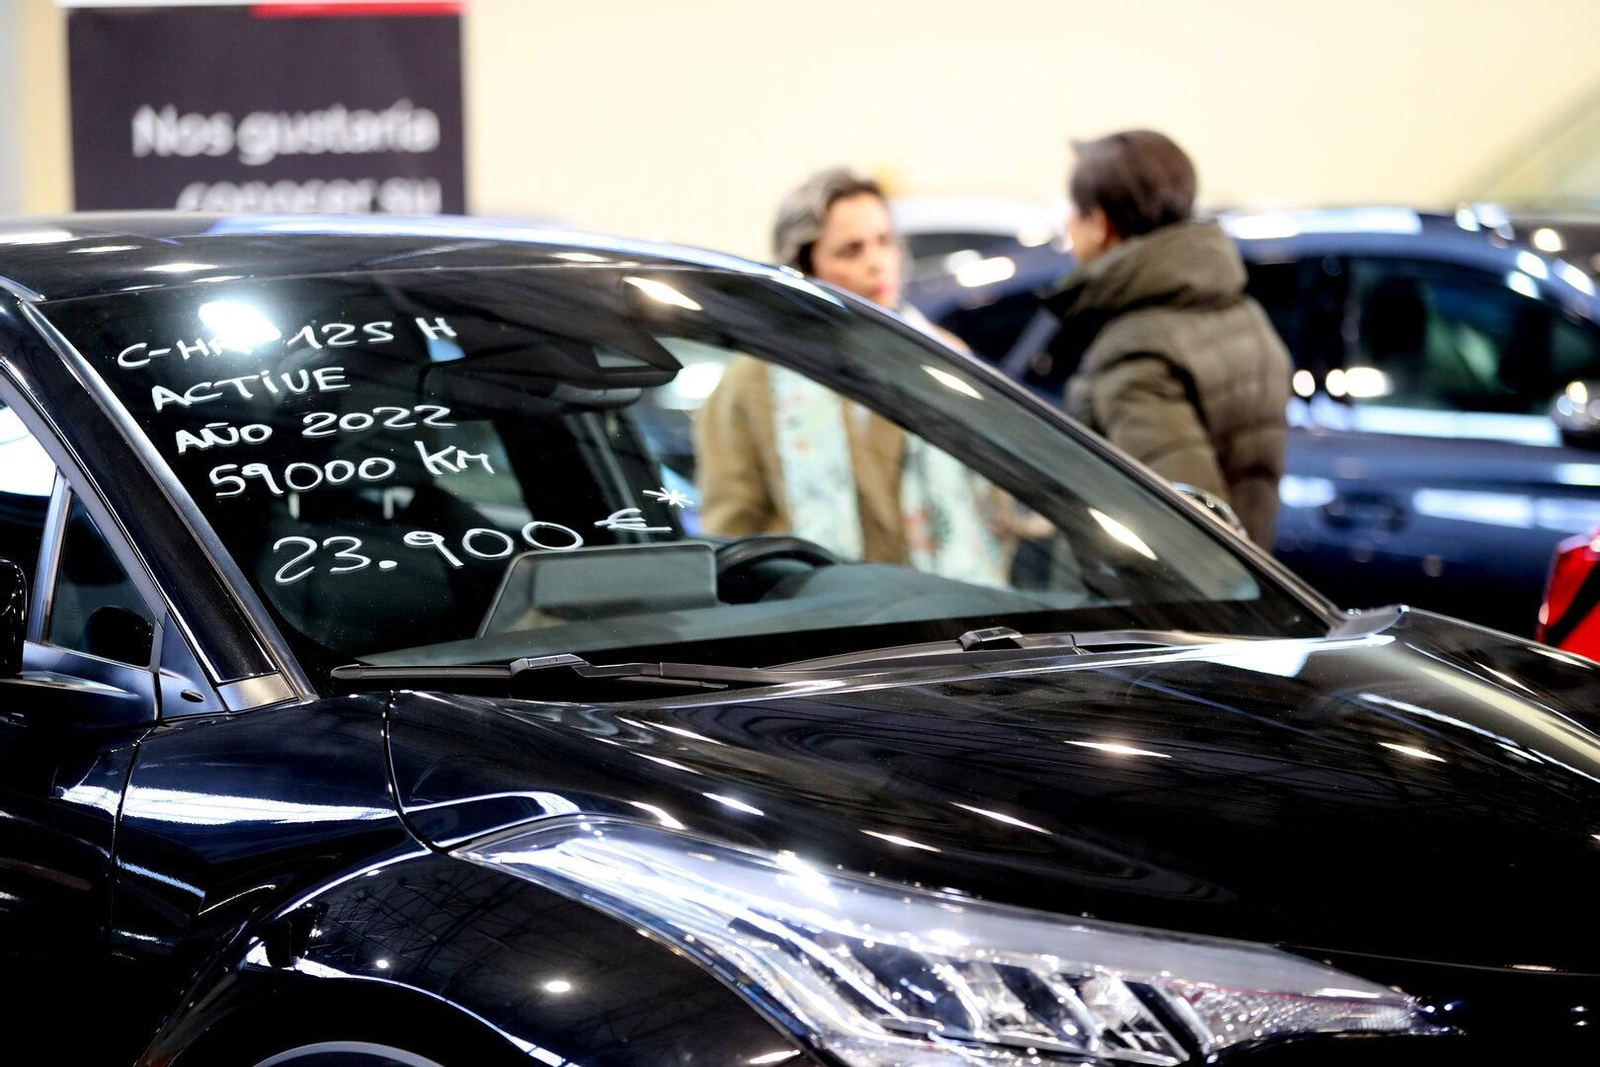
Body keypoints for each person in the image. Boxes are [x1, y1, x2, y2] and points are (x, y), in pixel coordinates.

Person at [694, 167, 1009, 584]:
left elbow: (995, 508)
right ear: (806, 263)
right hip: (828, 629)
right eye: (851, 250)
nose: (877, 263)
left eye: (884, 242)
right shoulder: (753, 381)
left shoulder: (944, 359)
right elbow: (732, 529)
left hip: (954, 621)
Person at [1047, 130, 1291, 545]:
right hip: (1249, 586)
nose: (1067, 224)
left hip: (1149, 606)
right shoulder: (1243, 313)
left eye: (1074, 210)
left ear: (1099, 223)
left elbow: (1188, 538)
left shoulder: (1138, 348)